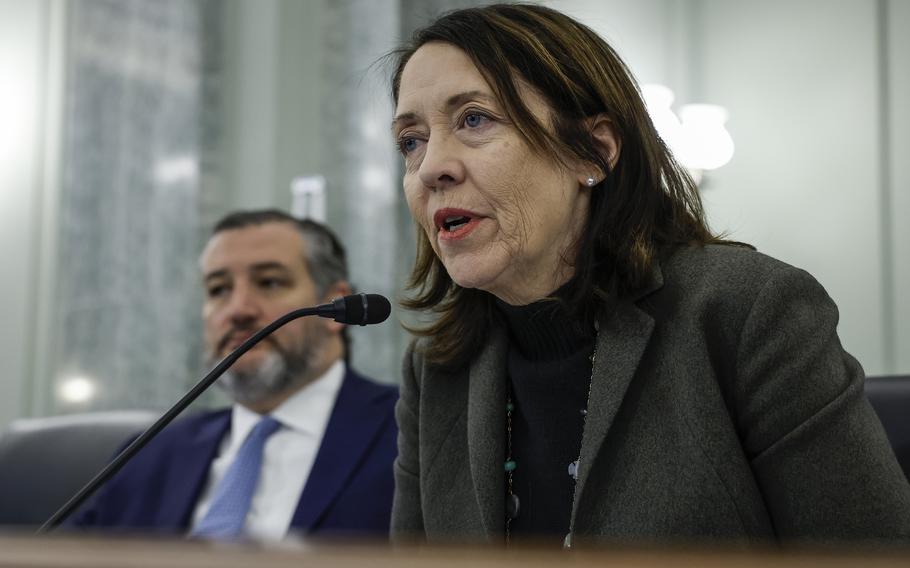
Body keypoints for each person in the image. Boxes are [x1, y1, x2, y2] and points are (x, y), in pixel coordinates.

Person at [388, 3, 910, 547]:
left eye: (474, 118)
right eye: (411, 141)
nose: (430, 168)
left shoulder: (748, 311)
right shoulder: (437, 367)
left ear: (594, 151)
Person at [72, 209, 397, 541]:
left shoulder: (413, 432)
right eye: (218, 289)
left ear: (334, 306)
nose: (239, 309)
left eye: (269, 282)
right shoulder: (149, 454)